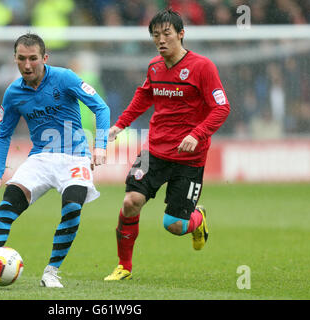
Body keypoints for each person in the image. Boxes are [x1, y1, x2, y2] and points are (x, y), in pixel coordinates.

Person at [0, 33, 110, 288]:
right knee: (9, 204)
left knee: (72, 207)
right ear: (14, 59)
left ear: (45, 58)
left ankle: (52, 271)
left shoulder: (65, 78)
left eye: (33, 59)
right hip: (39, 158)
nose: (27, 65)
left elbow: (101, 108)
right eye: (21, 59)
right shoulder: (13, 93)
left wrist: (101, 146)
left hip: (75, 157)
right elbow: (3, 134)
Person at [104, 9, 230, 281]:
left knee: (174, 225)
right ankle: (124, 266)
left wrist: (196, 134)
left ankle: (197, 218)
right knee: (130, 202)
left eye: (166, 34)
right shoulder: (154, 67)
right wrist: (119, 125)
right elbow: (143, 97)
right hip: (154, 151)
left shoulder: (203, 67)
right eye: (155, 35)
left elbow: (221, 108)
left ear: (181, 34)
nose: (160, 40)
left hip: (189, 158)